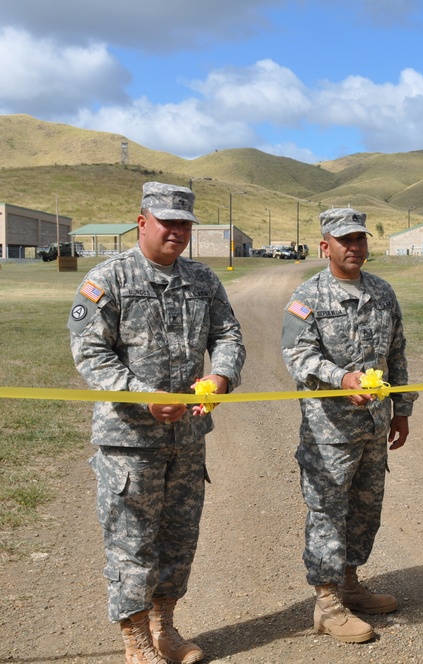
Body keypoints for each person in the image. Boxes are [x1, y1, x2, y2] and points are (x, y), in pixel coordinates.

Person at [68, 182, 246, 664]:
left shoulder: (203, 279)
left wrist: (223, 374)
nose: (177, 232)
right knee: (131, 543)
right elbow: (89, 351)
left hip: (186, 439)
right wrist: (141, 398)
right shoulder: (110, 278)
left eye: (185, 223)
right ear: (142, 221)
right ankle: (136, 641)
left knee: (178, 537)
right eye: (168, 222)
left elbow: (228, 333)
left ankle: (164, 626)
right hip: (129, 442)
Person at [282, 207, 416, 643]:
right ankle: (327, 602)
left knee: (364, 510)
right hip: (330, 432)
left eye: (360, 239)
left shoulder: (382, 291)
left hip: (375, 426)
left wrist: (401, 409)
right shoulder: (308, 297)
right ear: (325, 247)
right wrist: (341, 379)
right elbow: (298, 356)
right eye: (345, 240)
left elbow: (395, 353)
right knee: (328, 513)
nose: (355, 247)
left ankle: (350, 583)